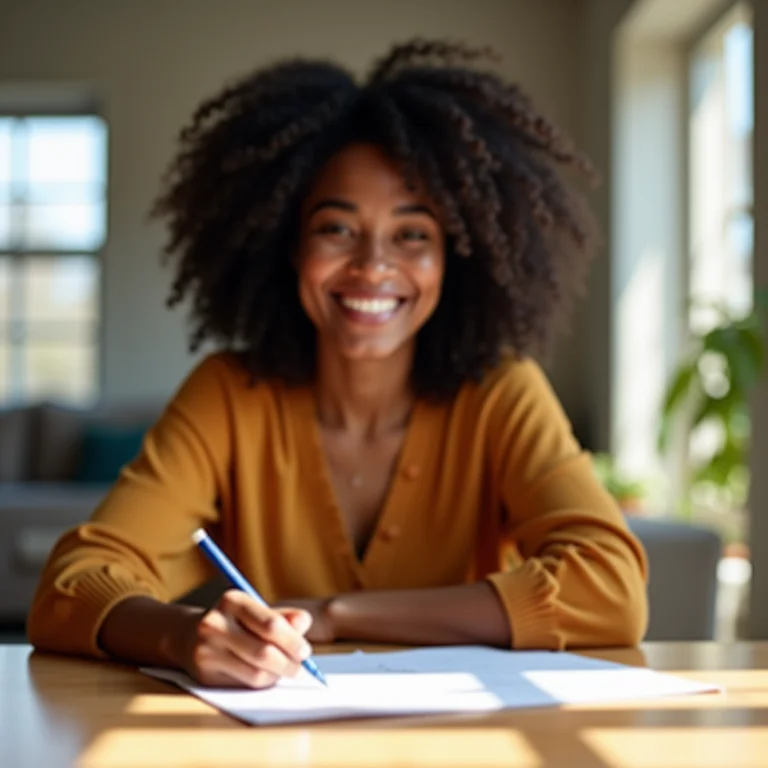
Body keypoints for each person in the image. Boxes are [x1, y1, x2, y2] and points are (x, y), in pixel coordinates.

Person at [27, 40, 648, 689]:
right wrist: (185, 635)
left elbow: (609, 588)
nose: (374, 266)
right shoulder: (231, 394)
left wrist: (335, 615)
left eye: (413, 234)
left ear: (455, 260)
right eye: (336, 229)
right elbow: (72, 584)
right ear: (289, 248)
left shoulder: (500, 392)